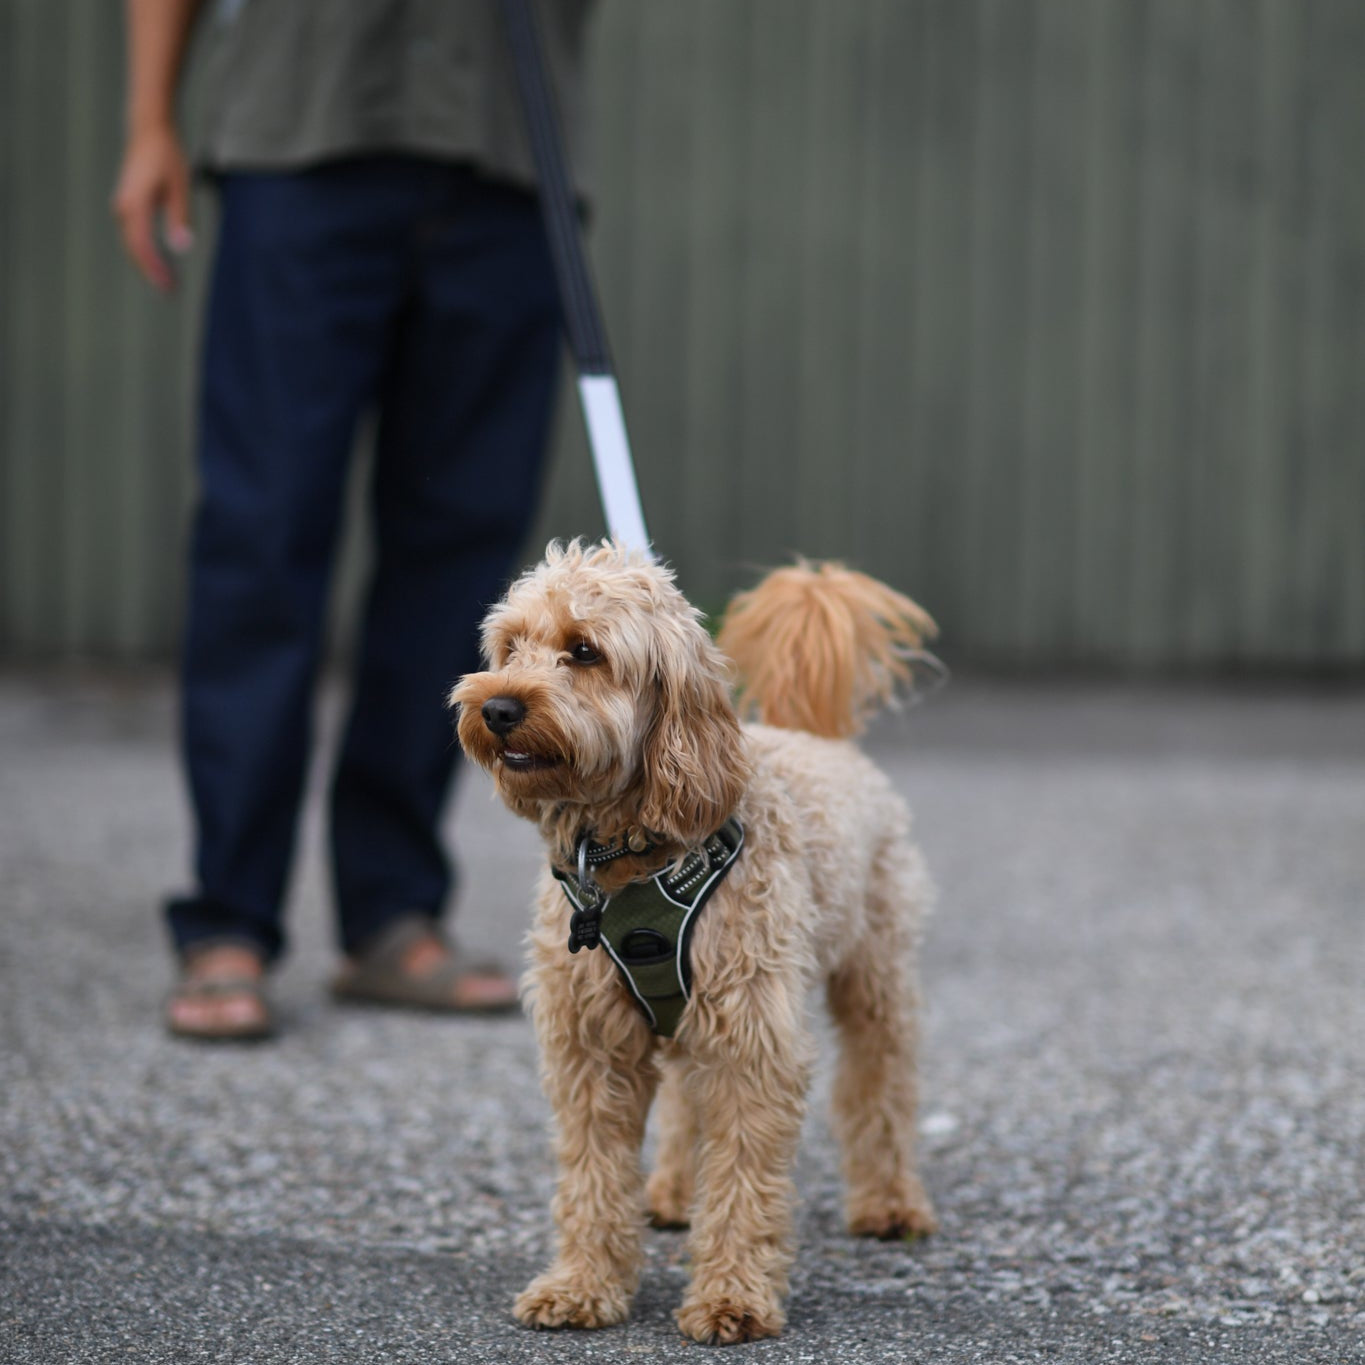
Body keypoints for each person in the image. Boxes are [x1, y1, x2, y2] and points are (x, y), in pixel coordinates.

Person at [112, 0, 592, 1040]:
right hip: (302, 142)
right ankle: (228, 917)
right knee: (263, 532)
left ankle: (392, 907)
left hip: (506, 155)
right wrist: (151, 119)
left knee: (461, 545)